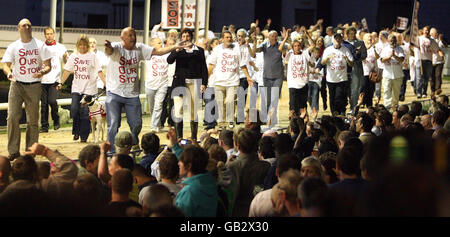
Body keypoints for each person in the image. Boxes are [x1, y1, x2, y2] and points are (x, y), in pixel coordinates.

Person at [104, 27, 188, 152]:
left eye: (134, 35)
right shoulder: (116, 47)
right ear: (123, 38)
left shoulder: (140, 48)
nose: (133, 37)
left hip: (132, 94)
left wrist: (175, 46)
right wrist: (108, 46)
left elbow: (159, 51)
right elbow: (109, 51)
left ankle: (134, 142)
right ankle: (111, 151)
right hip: (114, 92)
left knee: (137, 124)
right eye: (130, 35)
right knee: (114, 124)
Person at [2, 18, 52, 160]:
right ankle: (13, 151)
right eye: (24, 25)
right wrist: (9, 73)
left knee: (33, 121)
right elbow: (5, 64)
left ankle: (30, 151)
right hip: (16, 85)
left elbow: (48, 65)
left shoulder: (40, 45)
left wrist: (42, 72)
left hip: (34, 86)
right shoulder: (13, 46)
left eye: (29, 25)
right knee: (12, 117)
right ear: (19, 28)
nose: (27, 27)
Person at [59, 34, 106, 142]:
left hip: (89, 89)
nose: (83, 47)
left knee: (85, 113)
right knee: (74, 110)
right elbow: (67, 70)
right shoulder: (74, 56)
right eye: (81, 45)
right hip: (77, 88)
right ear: (77, 45)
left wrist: (105, 83)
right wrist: (61, 83)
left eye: (85, 45)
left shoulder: (93, 56)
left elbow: (99, 71)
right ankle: (76, 131)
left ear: (88, 46)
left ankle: (84, 137)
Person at [167, 28, 208, 140]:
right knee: (178, 109)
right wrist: (177, 50)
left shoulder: (199, 50)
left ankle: (193, 136)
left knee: (193, 111)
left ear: (192, 37)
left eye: (188, 36)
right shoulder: (178, 50)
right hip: (179, 83)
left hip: (195, 83)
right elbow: (169, 60)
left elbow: (204, 67)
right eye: (183, 36)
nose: (186, 38)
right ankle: (179, 137)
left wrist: (204, 83)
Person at [208, 30, 252, 129]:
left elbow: (242, 64)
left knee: (229, 101)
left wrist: (248, 77)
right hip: (219, 82)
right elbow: (211, 65)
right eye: (227, 37)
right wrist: (205, 79)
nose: (229, 39)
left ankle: (230, 120)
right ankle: (221, 123)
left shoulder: (237, 49)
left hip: (233, 82)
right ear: (222, 39)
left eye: (230, 37)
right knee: (220, 104)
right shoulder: (217, 49)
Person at [226, 129, 270, 216]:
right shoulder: (266, 166)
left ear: (237, 145)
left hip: (238, 211)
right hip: (260, 210)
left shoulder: (231, 167)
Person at [251, 29, 289, 128]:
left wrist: (285, 38)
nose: (275, 38)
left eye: (276, 36)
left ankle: (271, 119)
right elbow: (253, 52)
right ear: (268, 37)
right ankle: (266, 119)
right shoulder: (264, 45)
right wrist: (254, 41)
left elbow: (285, 49)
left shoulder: (281, 44)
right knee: (267, 100)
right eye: (272, 36)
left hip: (278, 77)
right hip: (266, 77)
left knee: (274, 99)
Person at [176, 146, 218, 217]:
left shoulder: (188, 192)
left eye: (181, 161)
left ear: (189, 166)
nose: (178, 163)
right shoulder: (211, 183)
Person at [283, 27, 315, 118]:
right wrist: (286, 38)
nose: (297, 47)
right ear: (293, 47)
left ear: (301, 46)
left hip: (303, 83)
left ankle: (303, 124)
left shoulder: (305, 53)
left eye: (298, 46)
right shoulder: (290, 54)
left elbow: (313, 45)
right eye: (295, 46)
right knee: (293, 107)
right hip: (293, 84)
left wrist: (307, 34)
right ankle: (293, 125)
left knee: (303, 106)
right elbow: (280, 48)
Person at [40, 27, 67, 133]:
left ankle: (56, 120)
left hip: (54, 80)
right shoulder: (41, 47)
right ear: (45, 35)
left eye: (51, 34)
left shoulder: (60, 47)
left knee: (52, 101)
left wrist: (65, 57)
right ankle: (44, 126)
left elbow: (66, 61)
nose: (49, 36)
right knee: (44, 105)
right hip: (42, 80)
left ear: (54, 34)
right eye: (47, 34)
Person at [321, 33, 354, 116]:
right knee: (332, 97)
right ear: (333, 40)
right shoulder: (328, 50)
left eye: (339, 39)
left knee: (340, 96)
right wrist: (328, 58)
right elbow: (322, 62)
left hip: (342, 78)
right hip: (331, 79)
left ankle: (341, 112)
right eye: (336, 39)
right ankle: (334, 113)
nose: (338, 41)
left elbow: (352, 64)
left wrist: (347, 59)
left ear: (341, 40)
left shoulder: (345, 50)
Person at [145, 37, 170, 133]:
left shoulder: (166, 53)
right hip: (150, 85)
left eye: (161, 43)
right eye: (158, 43)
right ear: (152, 44)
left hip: (162, 84)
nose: (161, 44)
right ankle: (157, 124)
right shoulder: (148, 54)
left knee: (158, 105)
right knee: (152, 107)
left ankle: (154, 126)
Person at [416, 26, 444, 98]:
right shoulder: (419, 38)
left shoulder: (432, 41)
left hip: (428, 61)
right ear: (423, 31)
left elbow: (437, 49)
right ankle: (418, 92)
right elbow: (411, 45)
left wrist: (441, 55)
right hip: (420, 59)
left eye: (428, 30)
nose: (427, 32)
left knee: (426, 78)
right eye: (425, 30)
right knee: (419, 77)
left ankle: (424, 92)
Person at [379, 34, 405, 110]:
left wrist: (395, 56)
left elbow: (402, 60)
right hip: (387, 74)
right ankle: (387, 107)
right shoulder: (385, 49)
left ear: (396, 41)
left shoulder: (400, 49)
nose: (392, 42)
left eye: (393, 40)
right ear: (388, 41)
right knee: (386, 91)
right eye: (390, 40)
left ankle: (395, 107)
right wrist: (389, 57)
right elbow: (382, 60)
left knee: (396, 92)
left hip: (397, 75)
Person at [346, 27, 367, 113]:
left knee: (355, 89)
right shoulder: (344, 43)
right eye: (350, 34)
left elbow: (364, 55)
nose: (352, 35)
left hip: (356, 68)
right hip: (345, 70)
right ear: (347, 34)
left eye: (354, 33)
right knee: (347, 90)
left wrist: (355, 58)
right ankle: (350, 104)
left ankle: (353, 108)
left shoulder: (360, 43)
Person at [430, 28, 445, 96]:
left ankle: (438, 89)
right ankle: (432, 90)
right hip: (432, 61)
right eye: (435, 33)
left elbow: (443, 47)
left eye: (437, 33)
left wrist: (441, 40)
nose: (436, 34)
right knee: (432, 77)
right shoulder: (429, 41)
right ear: (431, 34)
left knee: (438, 75)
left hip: (439, 62)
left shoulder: (439, 41)